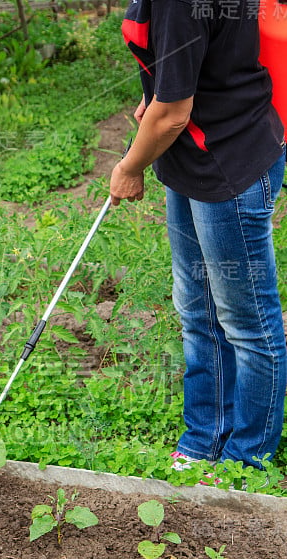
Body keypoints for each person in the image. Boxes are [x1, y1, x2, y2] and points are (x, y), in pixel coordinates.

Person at [110, 0, 286, 473]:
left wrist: (129, 167)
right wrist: (163, 83)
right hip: (193, 160)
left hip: (228, 164)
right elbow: (198, 59)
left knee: (247, 321)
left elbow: (172, 116)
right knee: (197, 311)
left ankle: (248, 458)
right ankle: (204, 439)